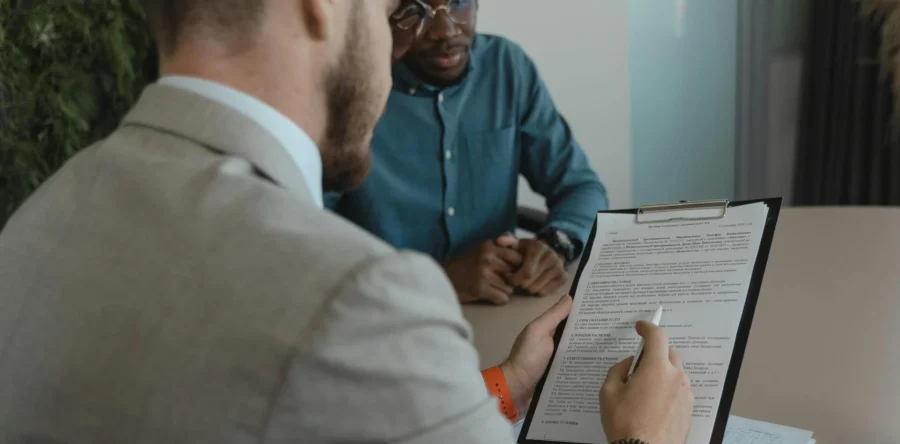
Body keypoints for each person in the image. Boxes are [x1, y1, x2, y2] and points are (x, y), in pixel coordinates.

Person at [0, 1, 691, 443]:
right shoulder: (358, 302)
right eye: (392, 11)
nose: (409, 37)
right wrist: (642, 441)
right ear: (322, 7)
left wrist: (505, 385)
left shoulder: (35, 222)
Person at [326, 0, 609, 306]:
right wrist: (437, 279)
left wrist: (556, 244)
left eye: (458, 3)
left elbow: (581, 186)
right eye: (417, 8)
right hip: (386, 308)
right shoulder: (350, 87)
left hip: (499, 304)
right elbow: (308, 236)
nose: (445, 31)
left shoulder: (506, 66)